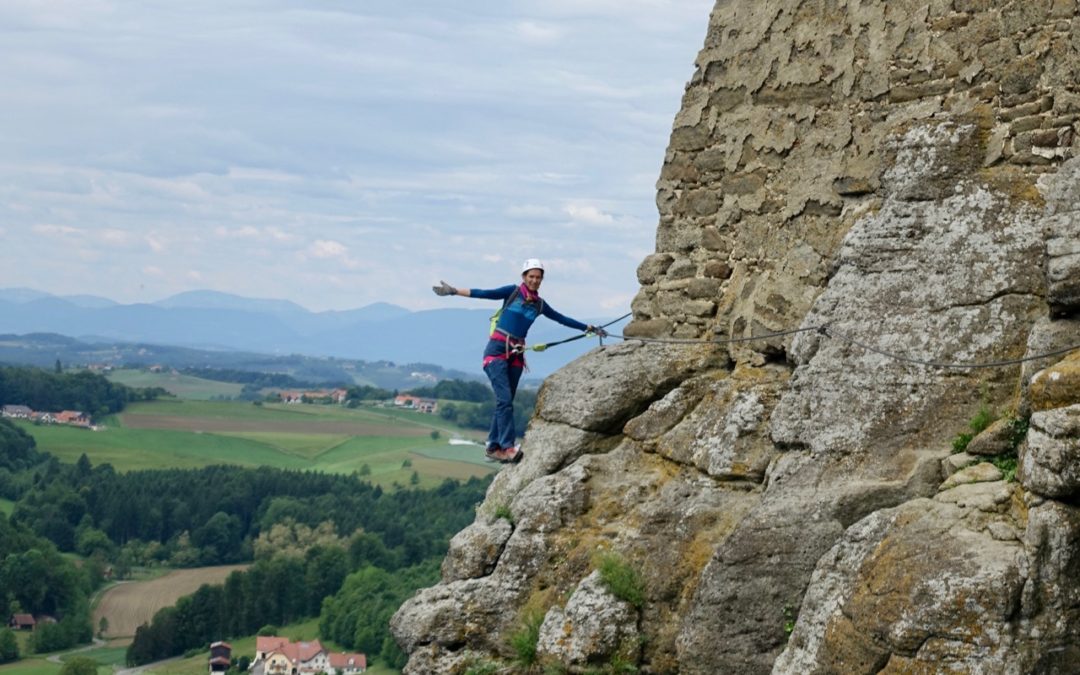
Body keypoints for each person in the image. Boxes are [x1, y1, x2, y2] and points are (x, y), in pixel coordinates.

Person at [432, 258, 607, 463]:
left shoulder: (539, 305)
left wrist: (588, 328)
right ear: (524, 277)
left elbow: (562, 319)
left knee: (505, 402)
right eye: (531, 276)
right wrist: (453, 291)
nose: (534, 281)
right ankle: (507, 447)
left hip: (516, 354)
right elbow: (484, 293)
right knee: (504, 401)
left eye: (538, 278)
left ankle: (492, 446)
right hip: (496, 352)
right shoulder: (512, 292)